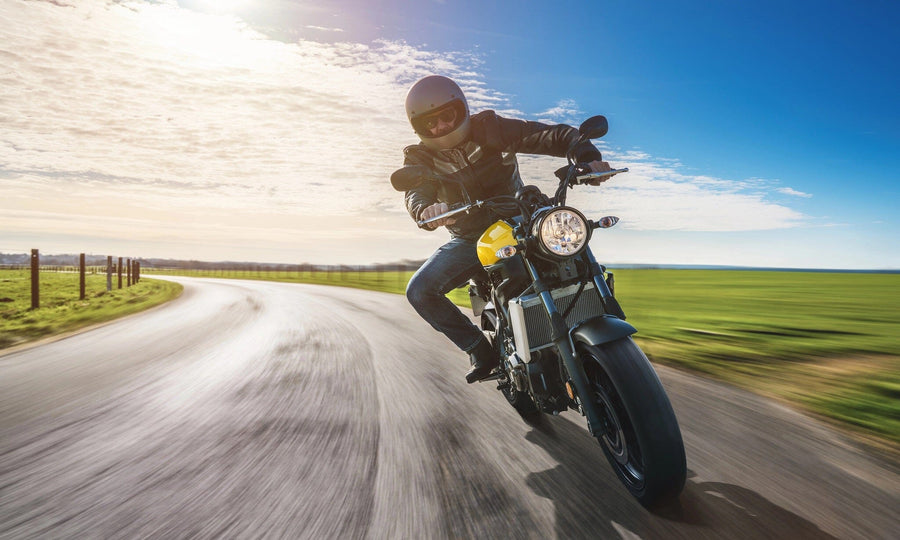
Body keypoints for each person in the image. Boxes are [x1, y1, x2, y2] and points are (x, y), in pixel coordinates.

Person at [398, 75, 614, 383]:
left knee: (572, 242)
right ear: (419, 127)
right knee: (419, 291)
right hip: (471, 239)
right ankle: (478, 349)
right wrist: (424, 210)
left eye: (447, 116)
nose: (441, 127)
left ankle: (600, 320)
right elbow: (415, 191)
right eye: (430, 123)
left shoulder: (491, 129)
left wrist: (587, 160)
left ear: (461, 110)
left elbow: (551, 136)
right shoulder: (419, 158)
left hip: (522, 220)